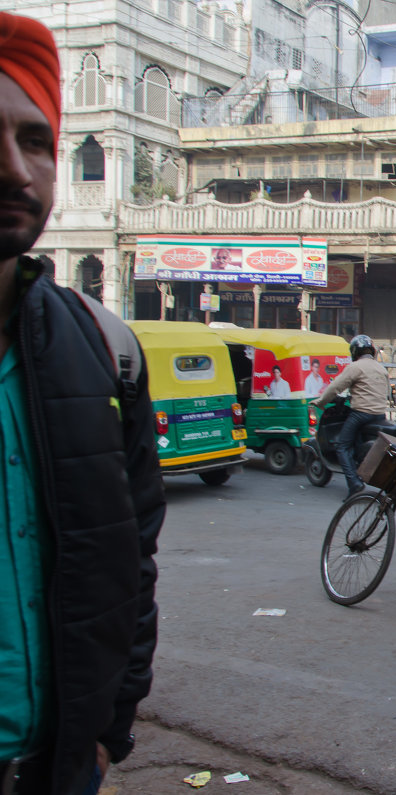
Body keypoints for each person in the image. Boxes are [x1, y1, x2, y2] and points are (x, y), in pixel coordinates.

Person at [0, 12, 166, 793]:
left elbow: (131, 556)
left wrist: (108, 726)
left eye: (36, 141)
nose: (15, 169)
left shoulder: (103, 348)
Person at [311, 334, 390, 498]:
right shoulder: (381, 369)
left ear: (354, 351)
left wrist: (320, 402)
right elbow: (384, 392)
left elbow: (335, 387)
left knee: (342, 446)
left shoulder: (355, 367)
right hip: (380, 415)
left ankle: (354, 483)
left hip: (361, 414)